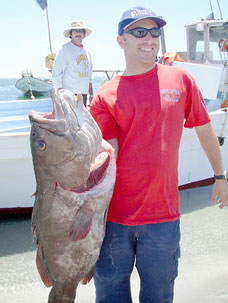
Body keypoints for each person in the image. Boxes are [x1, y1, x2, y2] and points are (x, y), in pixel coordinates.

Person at [90, 6, 228, 303]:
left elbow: (204, 128)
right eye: (139, 32)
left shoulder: (181, 80)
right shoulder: (104, 96)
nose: (149, 39)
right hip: (112, 218)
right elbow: (106, 157)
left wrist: (220, 176)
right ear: (120, 40)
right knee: (110, 298)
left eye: (154, 32)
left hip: (163, 217)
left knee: (159, 297)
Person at [52, 21, 94, 107]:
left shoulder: (87, 51)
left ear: (84, 34)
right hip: (69, 94)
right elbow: (56, 72)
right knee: (70, 120)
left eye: (80, 31)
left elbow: (89, 76)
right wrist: (59, 94)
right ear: (70, 34)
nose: (78, 33)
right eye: (75, 31)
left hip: (84, 94)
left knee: (81, 120)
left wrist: (92, 95)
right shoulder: (64, 49)